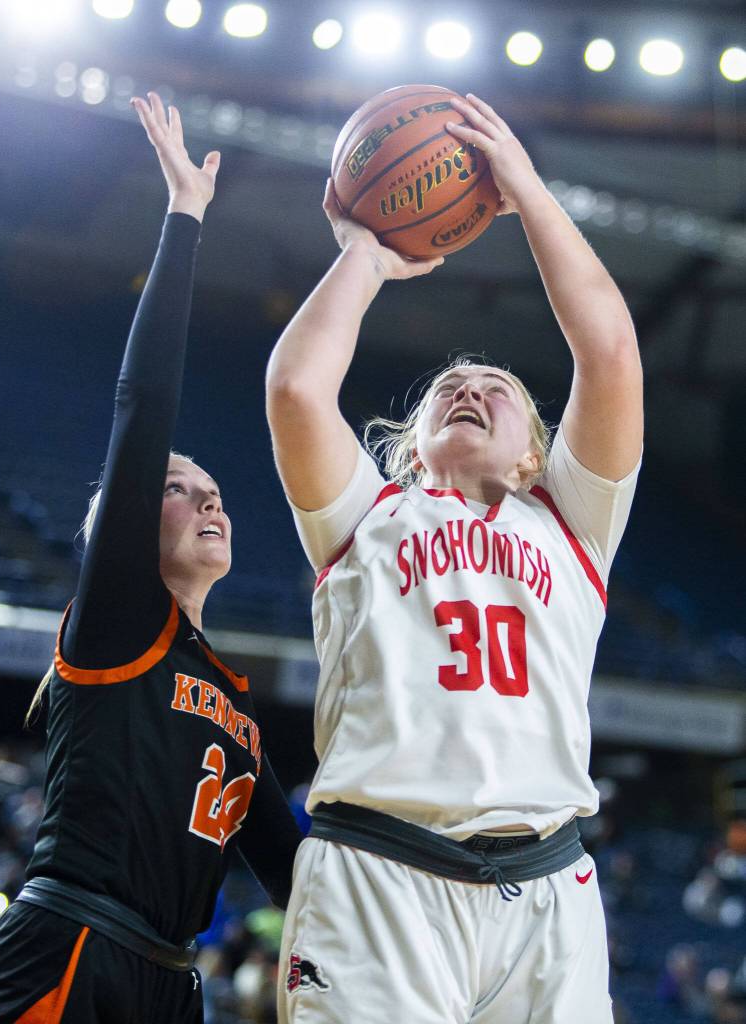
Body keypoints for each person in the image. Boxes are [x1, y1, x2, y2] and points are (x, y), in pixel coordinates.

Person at [266, 93, 643, 1024]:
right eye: (449, 387)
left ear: (534, 452)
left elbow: (608, 350)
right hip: (378, 878)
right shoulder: (367, 516)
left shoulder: (573, 520)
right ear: (415, 441)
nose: (469, 385)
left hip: (547, 886)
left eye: (496, 387)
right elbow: (296, 389)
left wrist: (524, 190)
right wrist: (365, 255)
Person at [0, 93, 301, 1024]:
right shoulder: (115, 622)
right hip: (68, 950)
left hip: (169, 983)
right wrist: (185, 219)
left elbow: (296, 870)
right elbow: (141, 409)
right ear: (122, 528)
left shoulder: (234, 705)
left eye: (213, 488)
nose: (210, 497)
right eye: (177, 486)